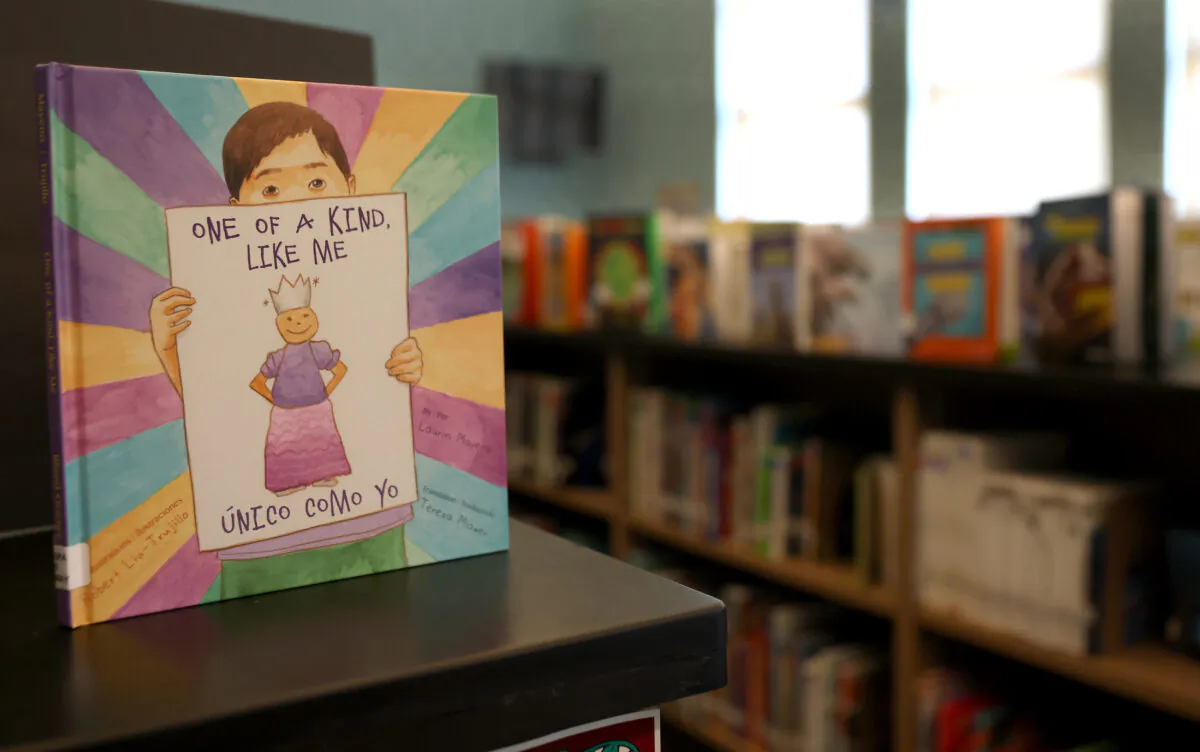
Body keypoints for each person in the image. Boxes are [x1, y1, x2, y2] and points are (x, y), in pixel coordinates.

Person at [147, 102, 424, 598]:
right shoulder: (216, 295)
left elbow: (378, 375)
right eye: (270, 187)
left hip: (371, 526)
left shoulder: (372, 278)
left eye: (317, 183)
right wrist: (171, 350)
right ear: (238, 208)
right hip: (260, 544)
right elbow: (218, 408)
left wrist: (408, 364)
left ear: (351, 191)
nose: (295, 201)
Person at [251, 274, 352, 496]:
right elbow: (257, 383)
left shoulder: (318, 350)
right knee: (287, 447)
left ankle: (322, 474)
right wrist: (275, 400)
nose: (298, 323)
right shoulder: (277, 357)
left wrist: (326, 391)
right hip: (285, 414)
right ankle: (288, 482)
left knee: (320, 441)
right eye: (289, 319)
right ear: (278, 324)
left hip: (317, 407)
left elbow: (340, 370)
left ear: (314, 318)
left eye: (304, 315)